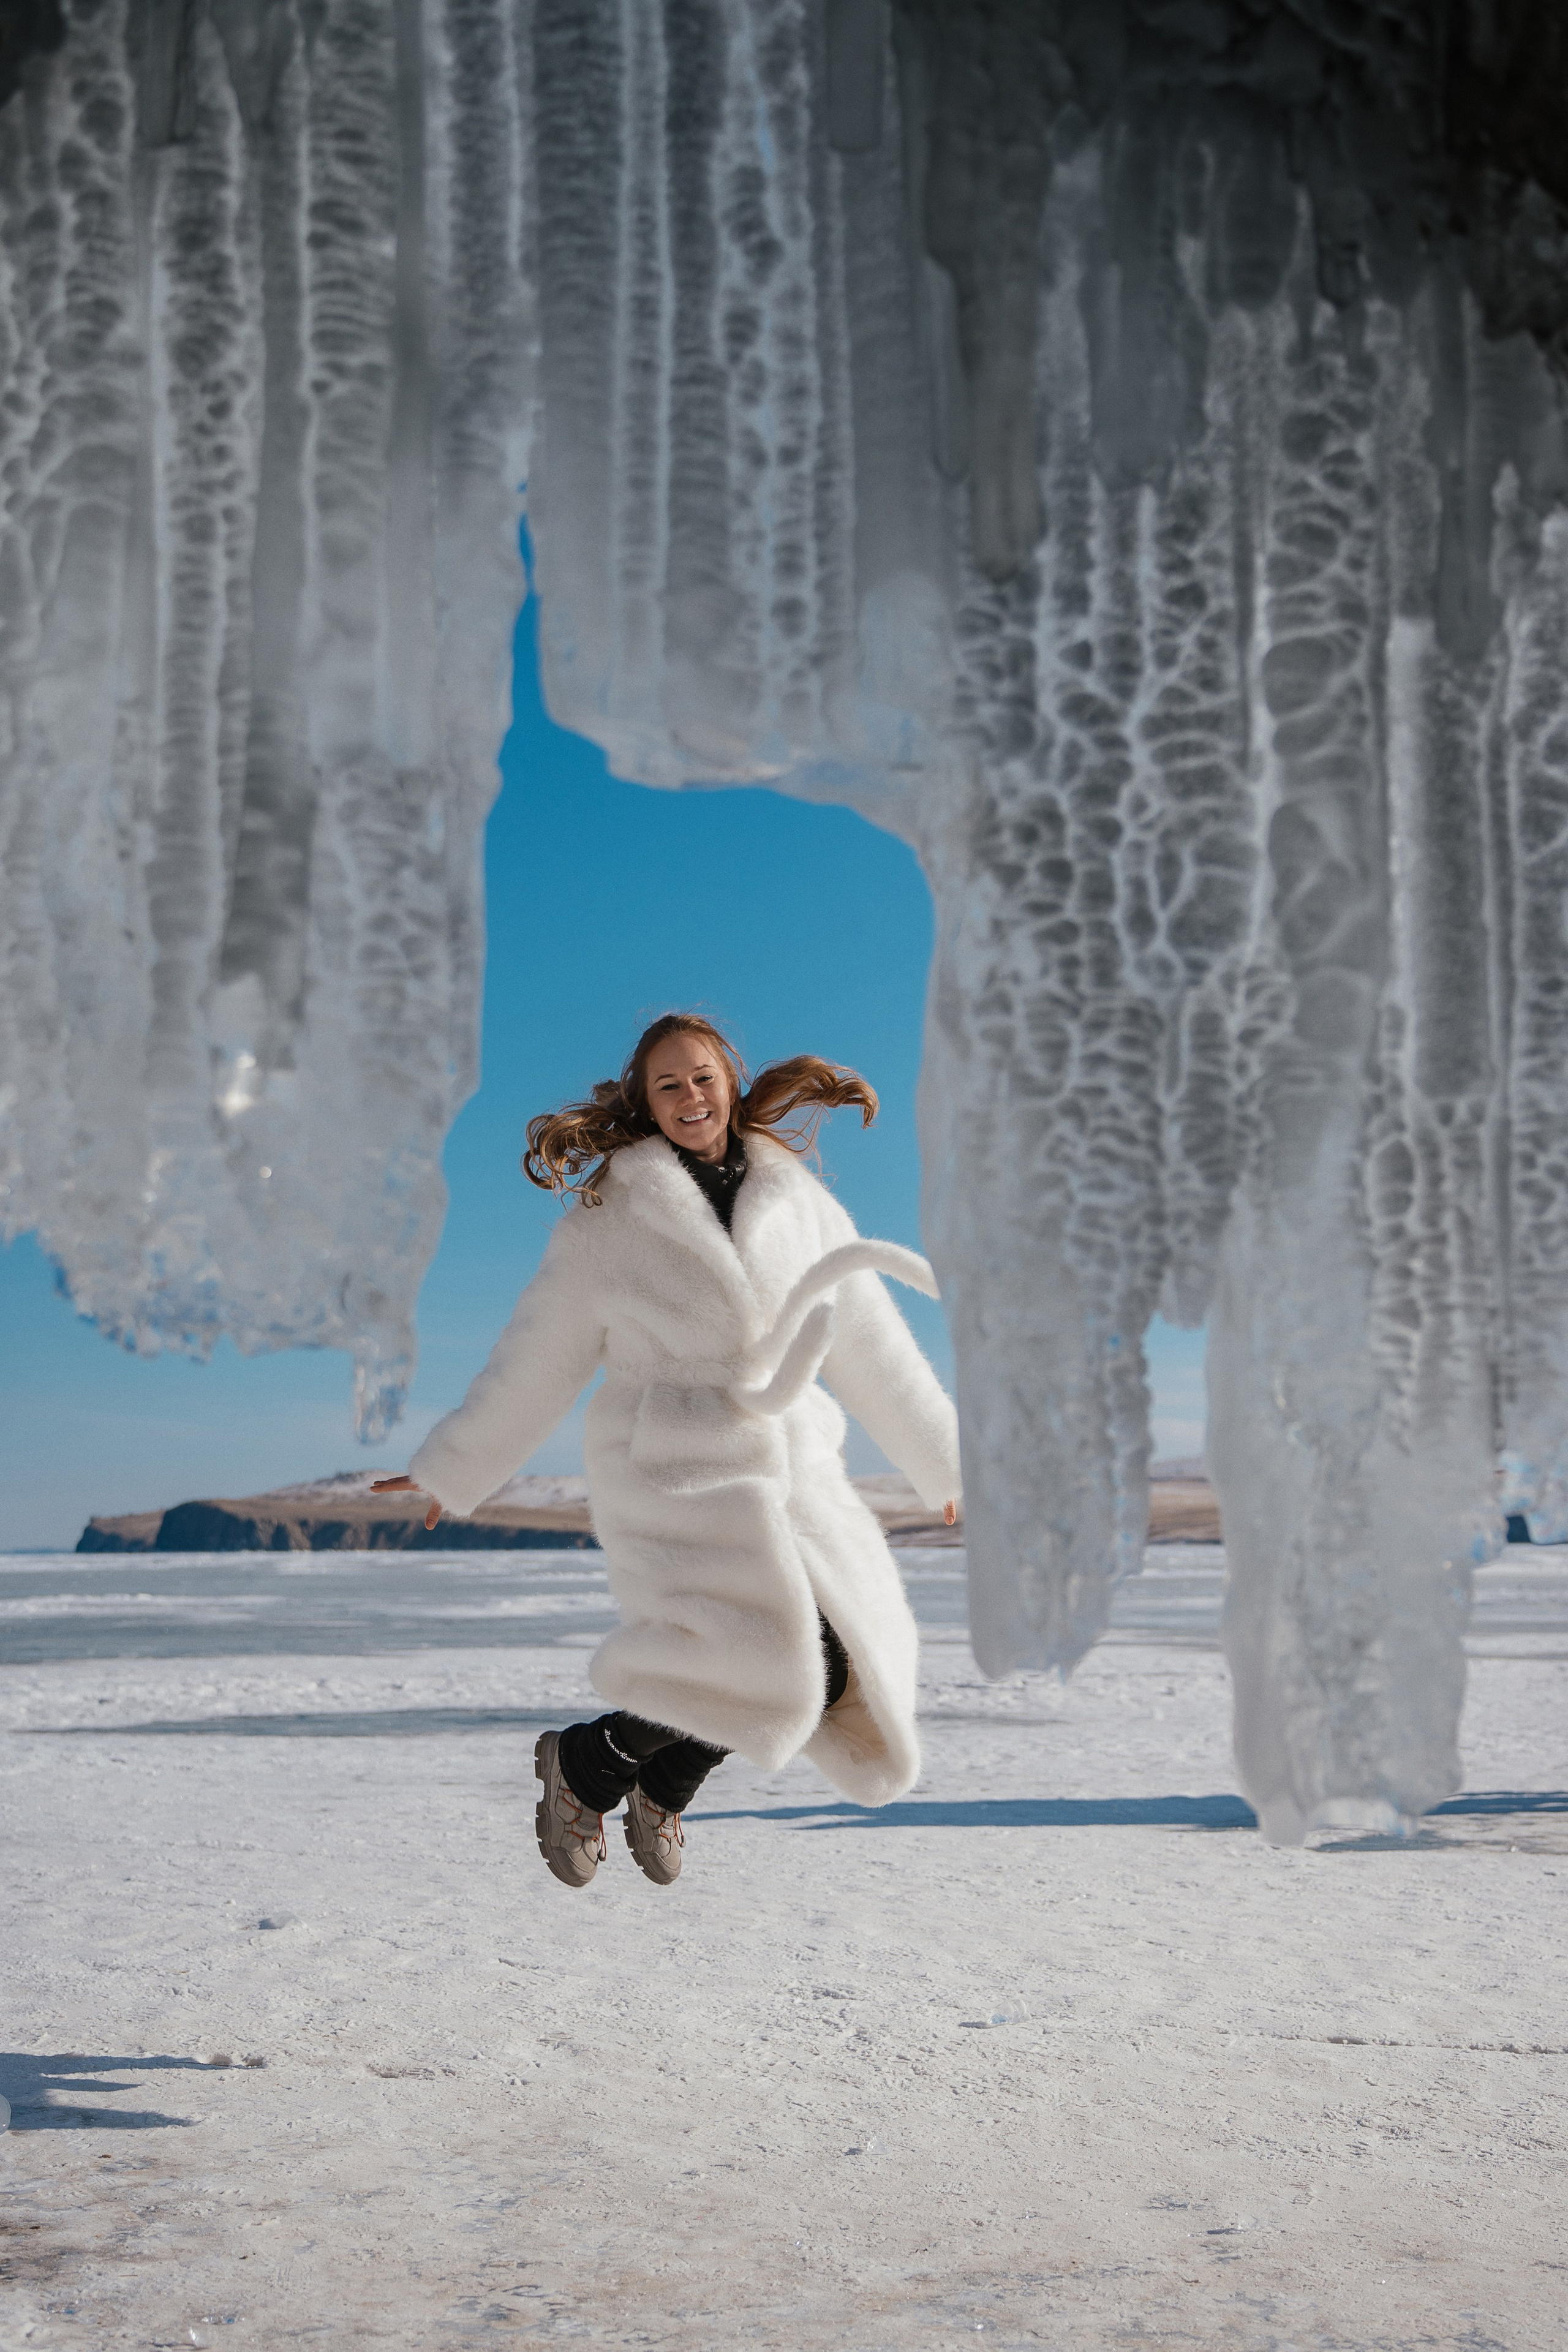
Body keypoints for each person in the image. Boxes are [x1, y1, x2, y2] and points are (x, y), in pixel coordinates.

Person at [374, 1013, 960, 1889]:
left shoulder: (798, 1202)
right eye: (669, 1085)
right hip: (677, 1466)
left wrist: (945, 1462)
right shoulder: (614, 1213)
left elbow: (868, 1337)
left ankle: (664, 1779)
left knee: (840, 1656)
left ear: (732, 1082)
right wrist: (456, 1467)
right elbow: (541, 1354)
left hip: (792, 1459)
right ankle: (588, 1765)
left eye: (703, 1078)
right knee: (757, 1654)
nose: (691, 1098)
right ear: (647, 1104)